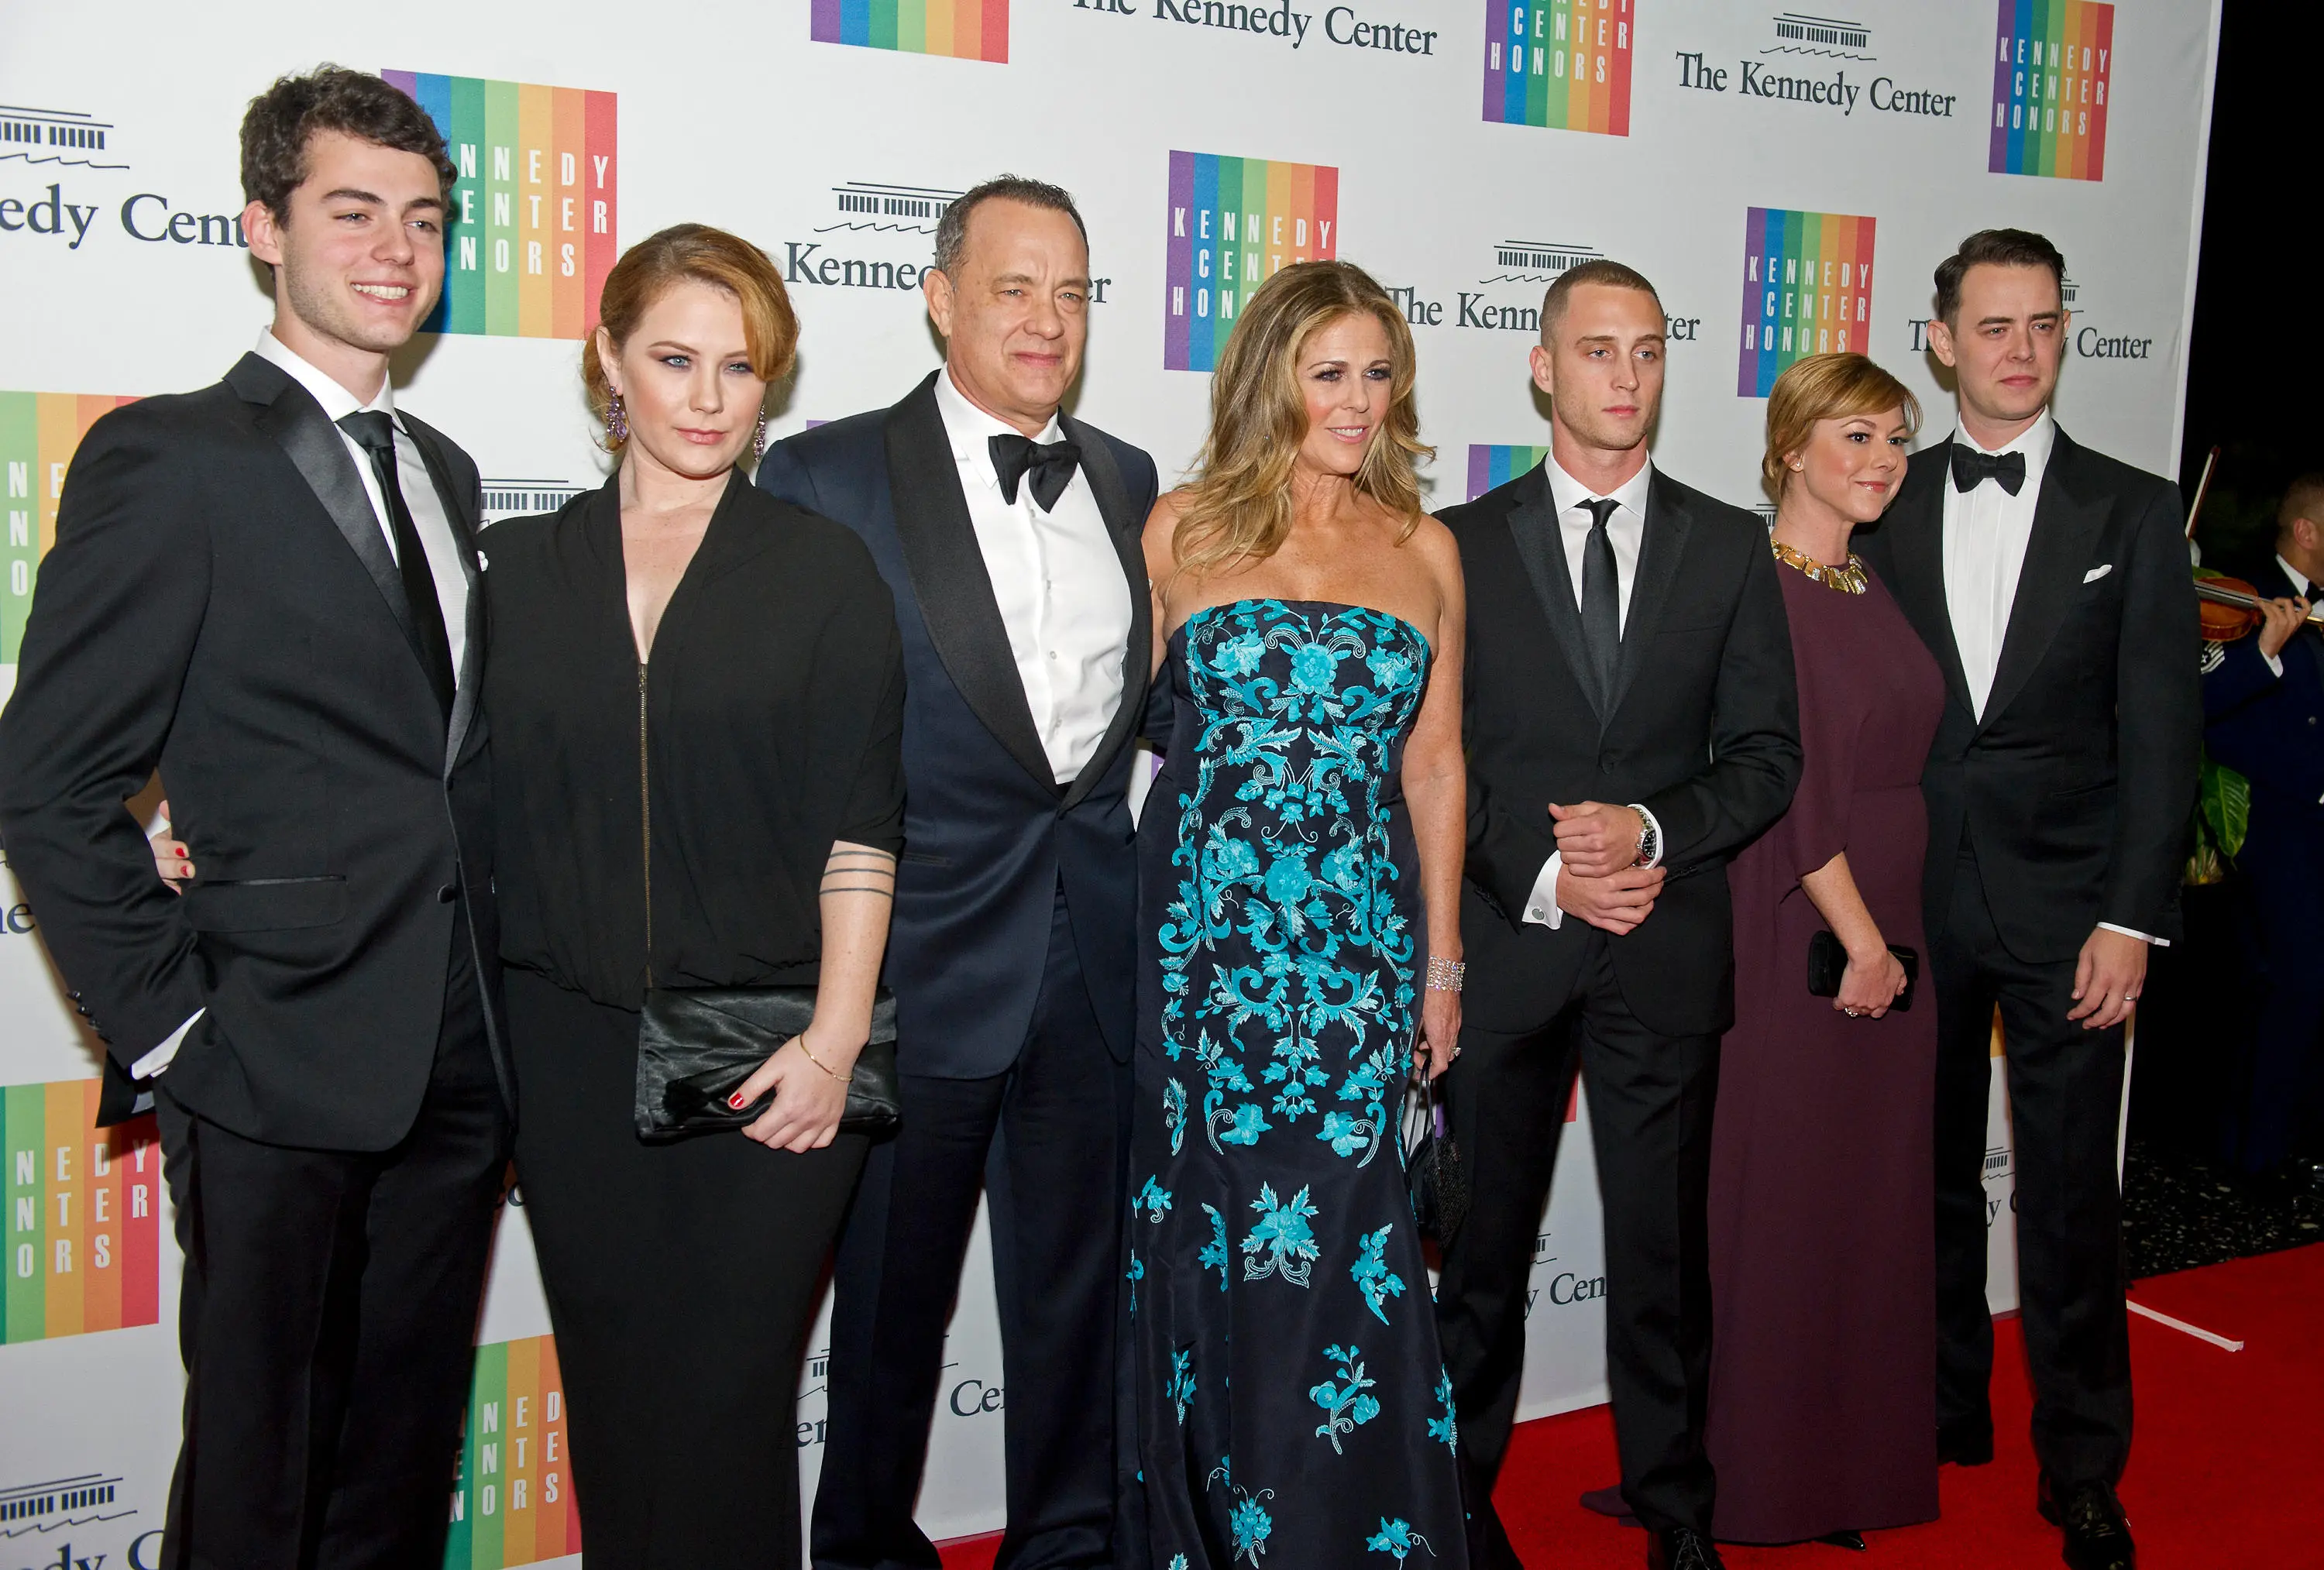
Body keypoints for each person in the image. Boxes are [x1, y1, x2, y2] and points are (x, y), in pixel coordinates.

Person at [0, 68, 508, 1568]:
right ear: (261, 228)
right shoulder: (173, 456)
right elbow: (49, 775)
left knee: (401, 1455)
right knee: (260, 1470)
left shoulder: (446, 467)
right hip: (271, 1050)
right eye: (352, 211)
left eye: (423, 219)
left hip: (456, 1057)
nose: (395, 250)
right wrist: (170, 1033)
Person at [480, 225, 904, 1565]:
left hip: (772, 1042)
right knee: (615, 1398)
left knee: (725, 1399)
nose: (710, 398)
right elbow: (426, 784)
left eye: (740, 367)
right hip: (566, 1045)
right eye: (675, 358)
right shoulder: (515, 572)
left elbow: (861, 830)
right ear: (609, 358)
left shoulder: (821, 571)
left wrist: (835, 1042)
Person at [756, 176, 1157, 1570]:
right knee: (884, 1307)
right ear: (939, 298)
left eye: (1073, 291)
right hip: (907, 969)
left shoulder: (1126, 474)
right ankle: (863, 1545)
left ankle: (1069, 1538)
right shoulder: (827, 476)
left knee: (1076, 1293)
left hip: (1092, 962)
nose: (1047, 320)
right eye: (1013, 286)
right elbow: (784, 747)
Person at [1435, 259, 1802, 1570]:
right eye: (1598, 352)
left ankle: (1677, 1514)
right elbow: (1432, 766)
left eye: (1647, 351)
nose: (1627, 378)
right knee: (1479, 1266)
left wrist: (1651, 832)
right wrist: (1539, 876)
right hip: (1509, 955)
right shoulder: (1458, 545)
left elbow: (1767, 754)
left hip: (1663, 950)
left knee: (1661, 1264)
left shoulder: (1724, 541)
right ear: (1543, 367)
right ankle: (1457, 1508)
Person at [1855, 228, 2200, 1570]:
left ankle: (2085, 1466)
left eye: (2042, 324)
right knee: (1921, 1185)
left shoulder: (2132, 510)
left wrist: (2134, 914)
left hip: (2074, 919)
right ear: (1939, 343)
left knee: (2069, 1201)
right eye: (1992, 326)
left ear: (2067, 332)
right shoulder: (1884, 499)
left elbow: (2163, 737)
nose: (2019, 349)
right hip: (1912, 907)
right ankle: (1943, 1411)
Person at [1126, 259, 1470, 1568]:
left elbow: (1436, 765)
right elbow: (1119, 749)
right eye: (1330, 371)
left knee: (1352, 1233)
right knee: (1212, 1232)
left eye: (1379, 372)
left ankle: (1357, 1533)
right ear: (1272, 375)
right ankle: (1213, 1532)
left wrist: (1440, 967)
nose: (1360, 399)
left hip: (1360, 958)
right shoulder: (1182, 529)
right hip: (1208, 955)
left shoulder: (1426, 546)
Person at [1702, 353, 1942, 1549]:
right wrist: (1862, 941)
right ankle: (1761, 1474)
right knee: (1788, 1199)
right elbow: (1788, 783)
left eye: (1897, 436)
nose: (1884, 458)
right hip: (1813, 928)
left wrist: (1897, 939)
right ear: (1792, 444)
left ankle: (1845, 1464)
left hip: (1896, 929)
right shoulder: (1764, 587)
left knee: (1863, 1200)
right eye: (1855, 435)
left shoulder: (1864, 580)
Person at [2199, 472, 2324, 1185]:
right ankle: (2258, 1154)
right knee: (2292, 986)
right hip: (2268, 834)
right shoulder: (2234, 599)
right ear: (2305, 531)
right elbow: (2198, 702)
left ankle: (2300, 1140)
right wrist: (2266, 652)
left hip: (2316, 829)